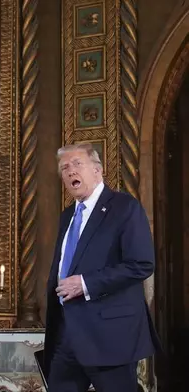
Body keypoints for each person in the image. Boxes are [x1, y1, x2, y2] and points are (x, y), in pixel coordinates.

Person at [43, 143, 160, 392]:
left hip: (110, 336)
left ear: (97, 170)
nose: (70, 171)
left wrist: (85, 283)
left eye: (77, 164)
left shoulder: (124, 207)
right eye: (65, 168)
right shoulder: (67, 216)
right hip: (67, 335)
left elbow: (141, 264)